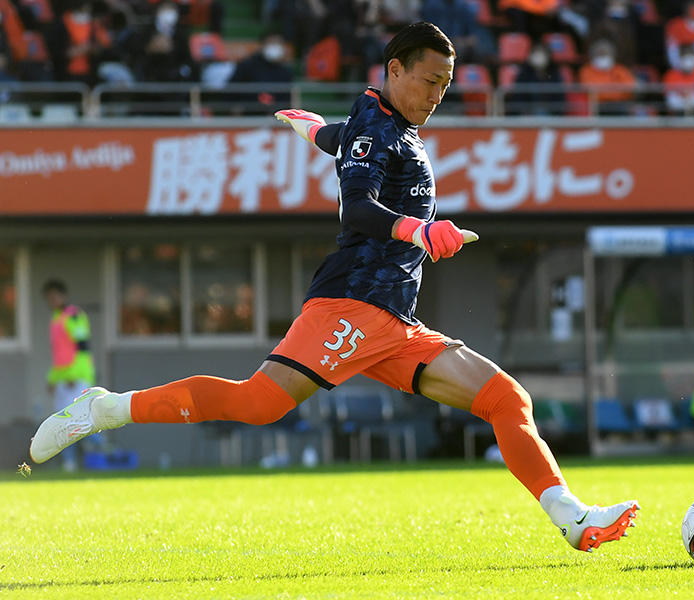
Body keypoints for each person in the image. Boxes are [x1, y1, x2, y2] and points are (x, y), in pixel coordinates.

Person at [30, 21, 639, 553]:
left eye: (446, 85)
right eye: (430, 81)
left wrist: (317, 132)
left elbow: (348, 143)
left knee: (506, 399)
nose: (437, 95)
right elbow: (358, 207)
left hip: (395, 323)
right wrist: (421, 231)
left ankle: (572, 518)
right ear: (394, 70)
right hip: (351, 302)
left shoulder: (387, 124)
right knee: (257, 404)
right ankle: (104, 409)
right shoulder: (379, 122)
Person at [42, 280, 97, 472]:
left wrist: (73, 374)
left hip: (77, 377)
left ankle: (107, 452)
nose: (52, 300)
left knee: (83, 419)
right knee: (62, 422)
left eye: (55, 295)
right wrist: (52, 379)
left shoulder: (72, 315)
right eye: (49, 297)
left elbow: (83, 346)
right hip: (63, 378)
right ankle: (69, 463)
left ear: (63, 296)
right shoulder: (56, 318)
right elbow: (59, 354)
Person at [227, 31, 293, 114]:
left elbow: (286, 99)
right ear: (262, 45)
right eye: (271, 43)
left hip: (274, 116)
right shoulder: (247, 66)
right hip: (248, 114)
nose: (275, 47)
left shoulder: (285, 72)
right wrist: (234, 107)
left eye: (278, 44)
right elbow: (231, 89)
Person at [577, 38, 636, 113]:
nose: (603, 57)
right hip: (597, 105)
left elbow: (630, 87)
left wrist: (609, 92)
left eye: (605, 54)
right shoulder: (586, 71)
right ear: (593, 56)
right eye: (600, 54)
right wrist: (615, 91)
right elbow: (590, 90)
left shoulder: (620, 70)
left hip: (620, 104)